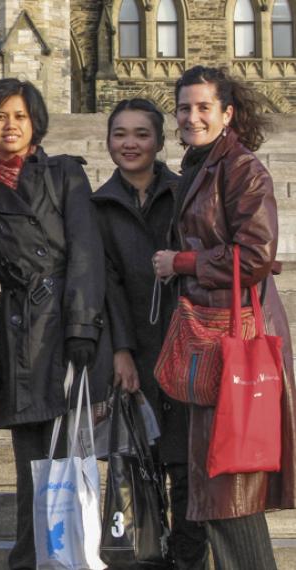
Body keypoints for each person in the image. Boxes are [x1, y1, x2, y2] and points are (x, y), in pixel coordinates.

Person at [153, 65, 296, 570]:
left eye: (203, 107)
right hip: (209, 339)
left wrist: (182, 262)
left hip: (231, 340)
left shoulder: (240, 167)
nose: (192, 116)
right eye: (185, 108)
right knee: (219, 488)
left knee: (231, 488)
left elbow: (255, 255)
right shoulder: (202, 165)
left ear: (226, 112)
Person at [0, 78, 111, 569]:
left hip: (64, 324)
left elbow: (87, 252)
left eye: (19, 116)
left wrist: (82, 328)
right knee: (31, 458)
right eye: (0, 116)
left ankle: (67, 554)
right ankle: (30, 556)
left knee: (68, 453)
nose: (10, 125)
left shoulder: (64, 174)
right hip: (16, 332)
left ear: (35, 123)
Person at [91, 98, 208, 568]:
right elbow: (108, 284)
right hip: (136, 348)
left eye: (141, 134)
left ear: (160, 142)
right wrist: (120, 350)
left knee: (185, 467)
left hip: (185, 346)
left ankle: (188, 559)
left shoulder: (184, 194)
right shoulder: (98, 205)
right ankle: (146, 558)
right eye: (121, 134)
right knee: (141, 465)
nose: (130, 143)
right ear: (109, 142)